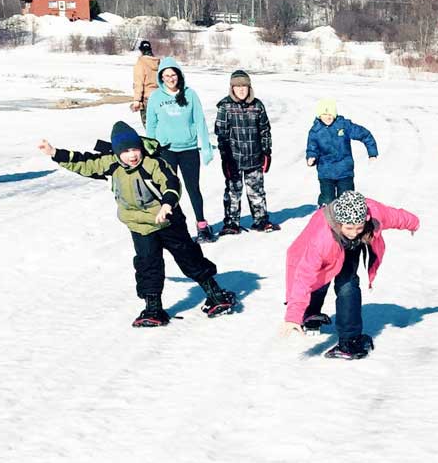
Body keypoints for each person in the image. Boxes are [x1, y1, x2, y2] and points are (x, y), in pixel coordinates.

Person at [38, 121, 235, 327]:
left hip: (168, 221)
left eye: (135, 149)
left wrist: (167, 204)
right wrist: (54, 152)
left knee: (188, 257)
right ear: (117, 152)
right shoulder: (110, 163)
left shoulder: (153, 163)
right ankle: (153, 308)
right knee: (148, 265)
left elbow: (171, 182)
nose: (132, 155)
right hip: (139, 226)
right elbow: (84, 163)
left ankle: (215, 293)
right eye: (125, 151)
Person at [282, 189, 420, 359]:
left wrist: (413, 223)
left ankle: (349, 340)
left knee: (348, 285)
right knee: (318, 279)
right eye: (349, 227)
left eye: (359, 227)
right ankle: (309, 313)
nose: (354, 232)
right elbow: (304, 277)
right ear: (339, 223)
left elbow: (394, 216)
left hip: (347, 249)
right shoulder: (321, 239)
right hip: (315, 254)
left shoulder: (373, 212)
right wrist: (293, 315)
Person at [146, 56, 217, 243]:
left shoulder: (190, 94)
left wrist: (206, 146)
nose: (170, 78)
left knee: (193, 188)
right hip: (166, 150)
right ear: (161, 77)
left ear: (179, 75)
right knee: (169, 189)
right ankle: (173, 228)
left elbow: (199, 120)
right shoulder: (155, 97)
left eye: (173, 74)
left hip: (189, 149)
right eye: (166, 75)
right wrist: (150, 149)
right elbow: (151, 125)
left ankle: (202, 225)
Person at [215, 68, 278, 233]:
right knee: (233, 192)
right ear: (232, 88)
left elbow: (265, 130)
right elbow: (221, 134)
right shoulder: (225, 106)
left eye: (244, 86)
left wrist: (266, 152)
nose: (241, 89)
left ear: (249, 88)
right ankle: (231, 223)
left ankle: (261, 220)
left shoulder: (257, 106)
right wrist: (225, 158)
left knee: (257, 191)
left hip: (255, 157)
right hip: (233, 159)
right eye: (237, 86)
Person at [305, 97, 378, 205]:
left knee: (347, 200)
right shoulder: (315, 131)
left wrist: (372, 153)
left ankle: (347, 220)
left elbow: (365, 134)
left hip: (344, 171)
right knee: (327, 200)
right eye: (324, 115)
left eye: (330, 115)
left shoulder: (343, 125)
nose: (327, 117)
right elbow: (312, 148)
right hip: (326, 171)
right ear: (319, 115)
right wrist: (311, 157)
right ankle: (325, 216)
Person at [130, 40, 161, 126]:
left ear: (141, 51)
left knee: (148, 125)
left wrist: (136, 100)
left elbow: (138, 83)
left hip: (147, 99)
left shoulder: (140, 63)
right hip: (159, 97)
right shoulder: (158, 63)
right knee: (159, 123)